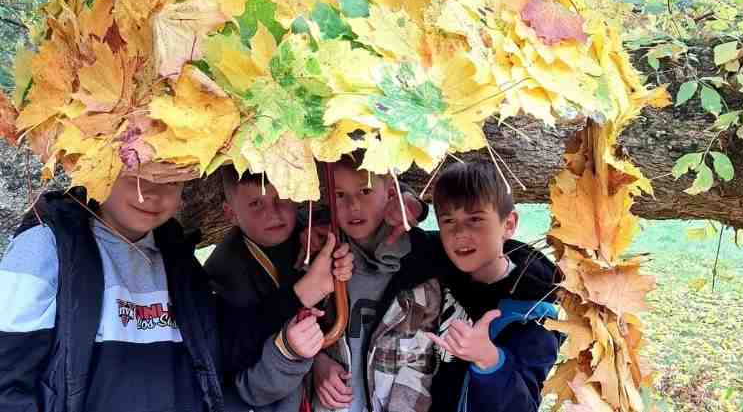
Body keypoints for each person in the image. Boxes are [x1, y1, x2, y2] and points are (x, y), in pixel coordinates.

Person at [0, 171, 310, 412]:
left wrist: (307, 289)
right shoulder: (46, 246)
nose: (149, 192)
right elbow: (7, 384)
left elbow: (228, 341)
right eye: (135, 172)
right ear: (101, 165)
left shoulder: (178, 260)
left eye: (170, 179)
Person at [205, 169, 355, 412]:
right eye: (255, 203)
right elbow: (237, 350)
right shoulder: (222, 272)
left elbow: (367, 201)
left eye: (282, 197)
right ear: (230, 213)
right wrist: (303, 293)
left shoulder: (314, 230)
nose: (273, 213)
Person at [312, 153, 444, 412]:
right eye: (340, 195)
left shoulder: (424, 260)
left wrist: (416, 205)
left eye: (365, 191)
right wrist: (317, 364)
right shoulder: (319, 257)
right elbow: (299, 327)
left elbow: (421, 362)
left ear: (393, 193)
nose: (353, 206)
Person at [426, 160, 560, 412]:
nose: (459, 233)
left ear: (508, 225)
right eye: (448, 221)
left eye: (475, 219)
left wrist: (489, 358)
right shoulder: (439, 261)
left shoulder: (534, 315)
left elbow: (521, 407)